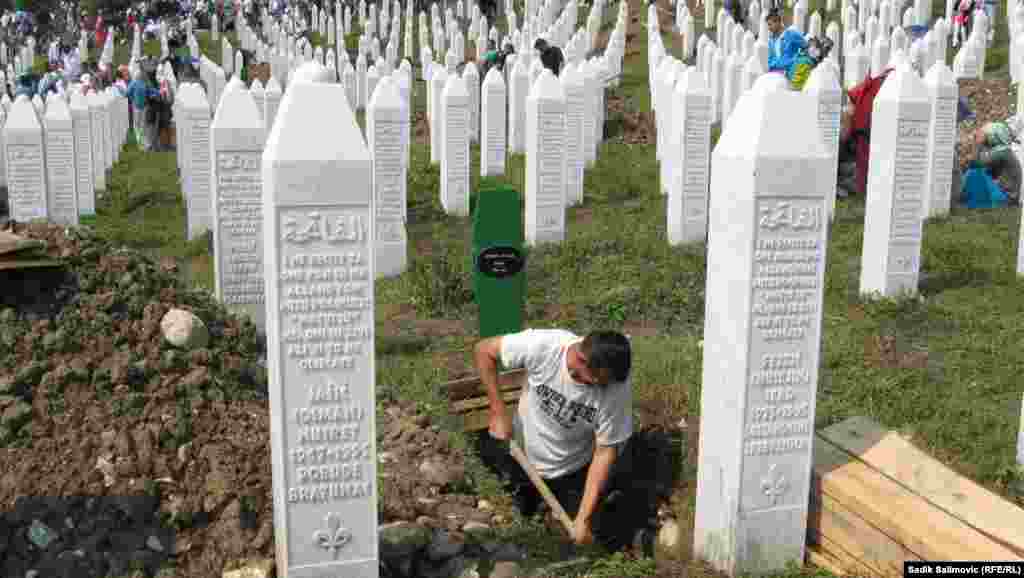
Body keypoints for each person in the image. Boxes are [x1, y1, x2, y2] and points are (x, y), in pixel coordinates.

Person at [474, 329, 634, 547]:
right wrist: (498, 411)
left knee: (585, 537)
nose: (603, 387)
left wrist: (583, 519)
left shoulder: (614, 386)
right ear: (581, 359)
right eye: (598, 381)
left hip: (573, 468)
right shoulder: (545, 347)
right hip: (522, 456)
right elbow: (484, 350)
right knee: (512, 521)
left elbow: (605, 451)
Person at [962, 119, 1022, 207]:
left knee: (975, 172)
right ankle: (964, 197)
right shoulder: (1004, 151)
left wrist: (977, 144)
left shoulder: (1002, 152)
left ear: (994, 135)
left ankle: (963, 197)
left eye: (987, 134)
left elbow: (975, 163)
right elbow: (988, 171)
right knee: (978, 173)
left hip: (1007, 197)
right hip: (1008, 195)